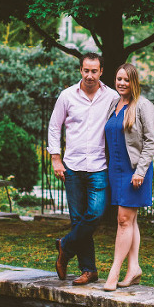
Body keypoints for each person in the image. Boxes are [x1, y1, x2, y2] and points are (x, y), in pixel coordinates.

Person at [47, 54, 119, 287]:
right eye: (86, 70)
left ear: (101, 72)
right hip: (73, 166)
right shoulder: (67, 96)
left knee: (96, 214)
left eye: (94, 71)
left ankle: (65, 246)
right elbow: (54, 127)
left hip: (99, 166)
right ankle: (89, 270)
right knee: (78, 219)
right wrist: (56, 159)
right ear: (80, 70)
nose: (90, 75)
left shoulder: (111, 97)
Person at [102, 63, 154, 291]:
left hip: (135, 171)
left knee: (123, 220)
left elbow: (151, 141)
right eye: (118, 79)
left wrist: (140, 171)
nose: (121, 83)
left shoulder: (143, 106)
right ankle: (134, 268)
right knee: (130, 220)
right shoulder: (114, 104)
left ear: (134, 81)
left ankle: (114, 274)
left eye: (126, 79)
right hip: (116, 169)